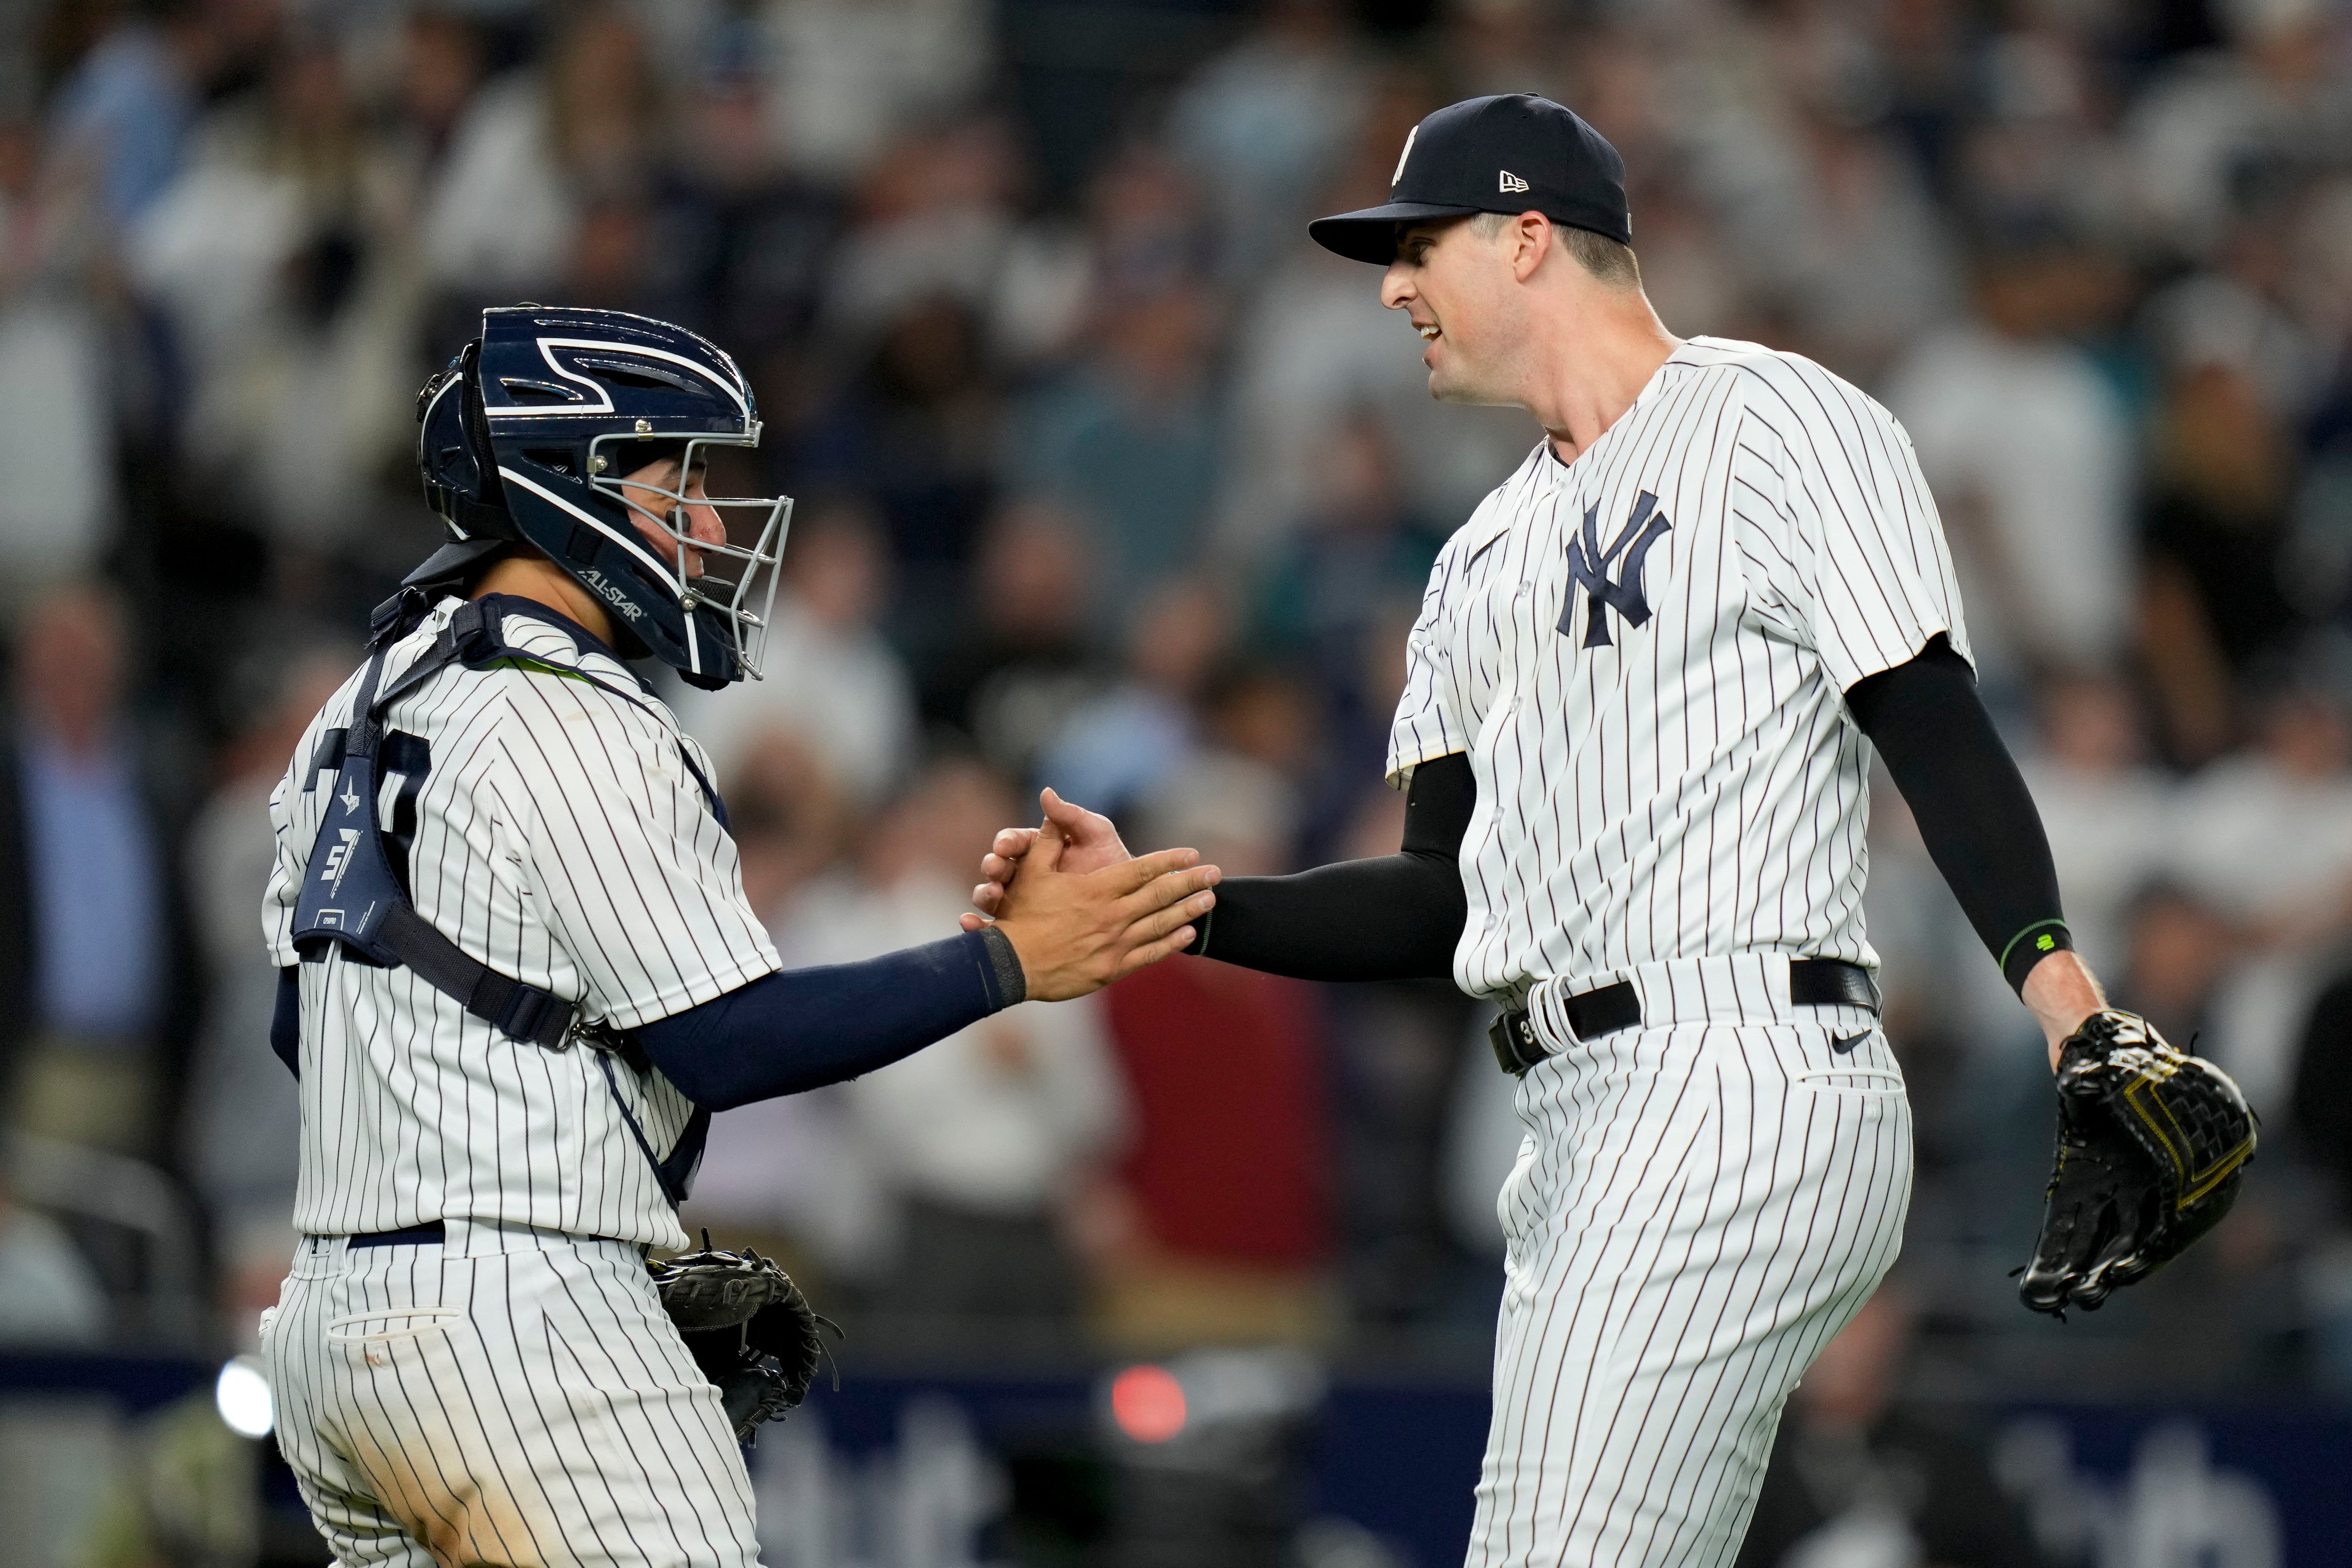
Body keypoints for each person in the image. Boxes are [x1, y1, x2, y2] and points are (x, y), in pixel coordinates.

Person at [969, 95, 2121, 1568]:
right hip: (1573, 1120)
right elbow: (1433, 898)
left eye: (1417, 247)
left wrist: (2065, 1001)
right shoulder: (1473, 564)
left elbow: (1930, 721)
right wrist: (1176, 907)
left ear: (1527, 239)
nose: (1391, 288)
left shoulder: (1778, 416)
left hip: (1735, 1071)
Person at [257, 305, 1219, 1568]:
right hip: (521, 1322)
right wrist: (1007, 962)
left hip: (332, 1329)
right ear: (575, 484)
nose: (709, 524)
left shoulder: (357, 704)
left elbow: (301, 1030)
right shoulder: (579, 719)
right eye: (684, 480)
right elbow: (730, 1040)